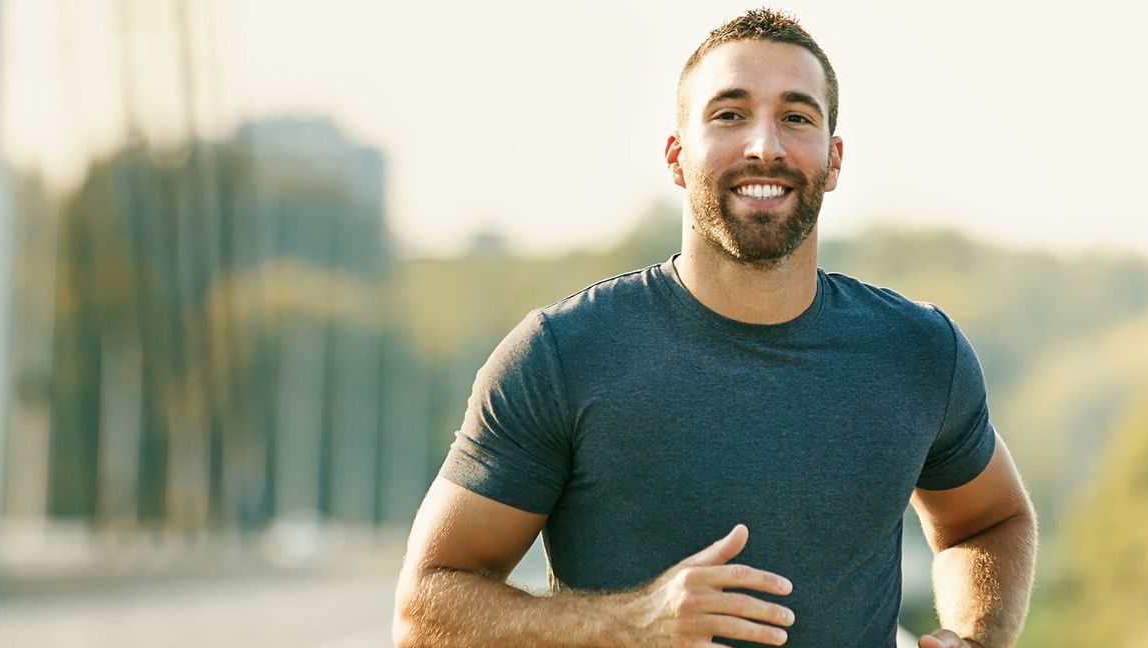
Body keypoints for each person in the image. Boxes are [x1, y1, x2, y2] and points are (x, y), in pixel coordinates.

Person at [392, 8, 1036, 648]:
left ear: (833, 159)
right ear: (677, 156)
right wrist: (630, 623)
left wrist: (975, 637)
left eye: (797, 117)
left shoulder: (919, 352)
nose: (765, 146)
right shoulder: (562, 355)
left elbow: (990, 522)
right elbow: (425, 610)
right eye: (729, 114)